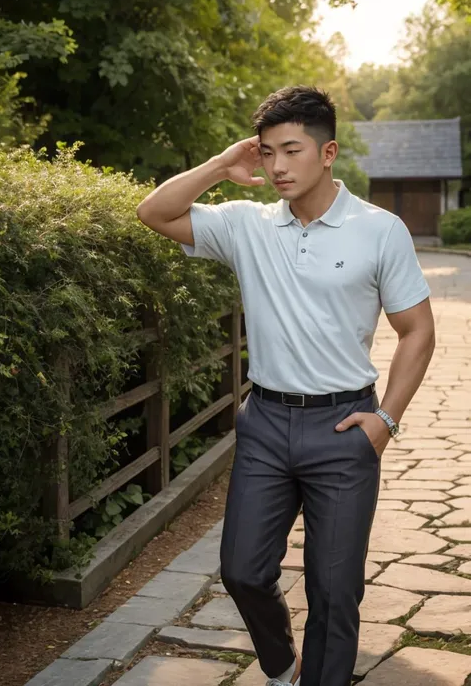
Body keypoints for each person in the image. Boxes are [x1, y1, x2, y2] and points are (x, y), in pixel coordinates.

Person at [137, 86, 435, 686]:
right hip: (266, 424)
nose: (276, 166)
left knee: (334, 591)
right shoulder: (246, 226)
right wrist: (223, 165)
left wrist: (387, 420)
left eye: (290, 151)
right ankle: (281, 668)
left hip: (345, 426)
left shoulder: (380, 231)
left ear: (328, 153)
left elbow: (417, 332)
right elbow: (155, 212)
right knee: (243, 570)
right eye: (266, 152)